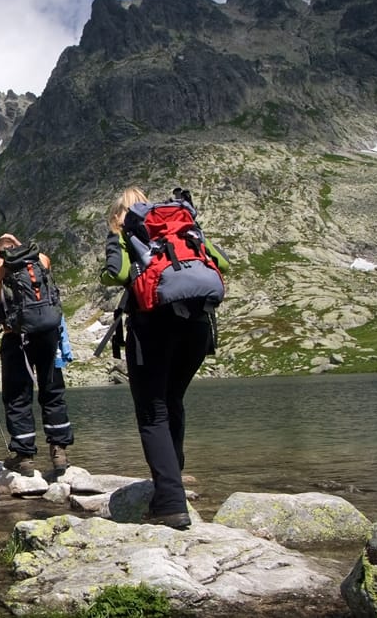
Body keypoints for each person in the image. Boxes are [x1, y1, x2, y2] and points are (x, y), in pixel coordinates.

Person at [100, 187, 230, 529]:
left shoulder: (126, 233)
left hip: (154, 326)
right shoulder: (182, 228)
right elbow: (221, 263)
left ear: (119, 215)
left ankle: (171, 503)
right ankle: (172, 476)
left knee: (152, 411)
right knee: (172, 399)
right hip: (199, 327)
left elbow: (116, 273)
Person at [0, 234, 73, 476]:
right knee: (52, 389)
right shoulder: (41, 259)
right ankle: (59, 450)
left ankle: (25, 456)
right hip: (49, 333)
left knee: (17, 395)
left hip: (16, 336)